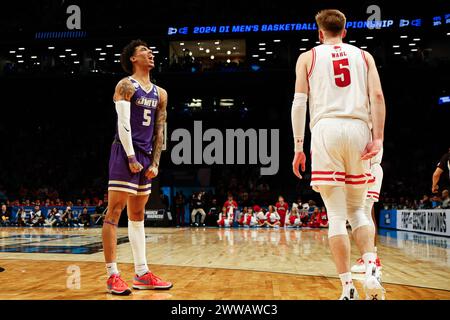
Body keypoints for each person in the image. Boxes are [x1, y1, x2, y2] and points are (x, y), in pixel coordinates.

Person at [291, 9, 386, 300]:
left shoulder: (308, 57)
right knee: (358, 211)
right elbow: (378, 97)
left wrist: (298, 147)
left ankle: (347, 288)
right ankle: (371, 269)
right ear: (345, 31)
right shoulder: (364, 56)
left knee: (335, 216)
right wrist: (378, 137)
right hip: (359, 129)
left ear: (320, 33)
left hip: (325, 130)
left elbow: (299, 104)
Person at [102, 39, 172, 295]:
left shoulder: (160, 93)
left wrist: (154, 162)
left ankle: (142, 273)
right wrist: (131, 156)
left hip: (145, 157)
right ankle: (112, 275)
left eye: (151, 51)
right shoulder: (125, 85)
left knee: (138, 215)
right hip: (124, 152)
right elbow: (123, 124)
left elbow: (160, 129)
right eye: (144, 51)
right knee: (114, 212)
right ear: (133, 58)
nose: (150, 53)